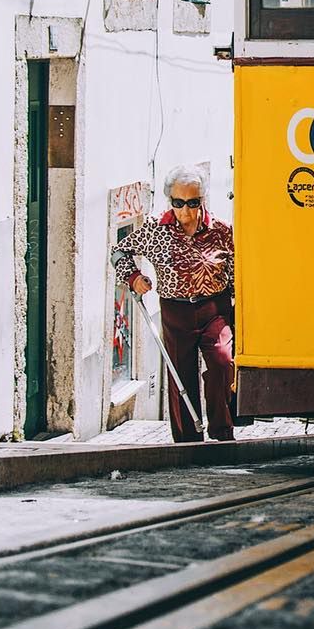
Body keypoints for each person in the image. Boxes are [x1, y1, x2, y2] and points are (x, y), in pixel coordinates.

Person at [113, 165, 235, 442]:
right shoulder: (157, 229)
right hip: (176, 310)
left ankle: (222, 430)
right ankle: (188, 440)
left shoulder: (221, 230)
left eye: (193, 203)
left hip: (214, 309)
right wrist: (133, 278)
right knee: (181, 375)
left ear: (202, 200)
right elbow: (120, 251)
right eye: (178, 203)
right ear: (171, 201)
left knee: (221, 362)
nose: (186, 211)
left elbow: (237, 268)